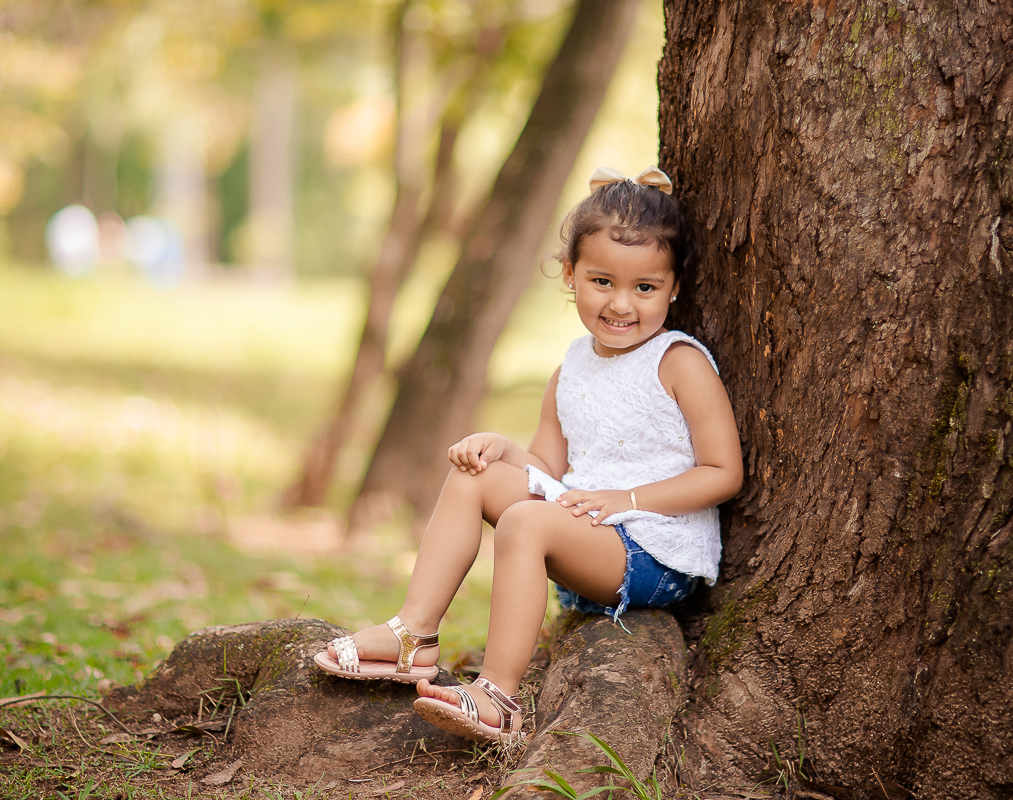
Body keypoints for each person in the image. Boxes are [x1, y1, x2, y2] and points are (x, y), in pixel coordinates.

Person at [313, 166, 742, 744]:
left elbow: (724, 471)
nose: (621, 304)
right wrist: (505, 449)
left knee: (524, 520)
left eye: (644, 287)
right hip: (584, 529)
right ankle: (414, 635)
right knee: (475, 477)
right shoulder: (571, 368)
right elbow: (548, 470)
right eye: (601, 282)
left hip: (654, 550)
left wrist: (626, 499)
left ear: (674, 286)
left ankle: (498, 695)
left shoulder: (678, 361)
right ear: (570, 274)